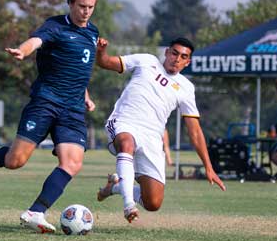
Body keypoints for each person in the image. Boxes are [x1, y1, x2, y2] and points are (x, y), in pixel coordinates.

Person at [0, 0, 100, 234]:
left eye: (90, 7)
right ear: (71, 3)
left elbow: (80, 70)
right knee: (15, 161)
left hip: (72, 110)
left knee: (72, 163)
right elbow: (35, 42)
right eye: (81, 6)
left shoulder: (93, 33)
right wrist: (22, 52)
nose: (86, 12)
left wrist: (86, 95)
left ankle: (36, 211)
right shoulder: (55, 26)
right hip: (45, 102)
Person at [95, 37, 226, 223]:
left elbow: (195, 132)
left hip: (152, 138)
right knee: (126, 143)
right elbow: (106, 62)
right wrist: (101, 52)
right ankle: (128, 205)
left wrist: (208, 167)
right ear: (167, 52)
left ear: (188, 62)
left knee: (153, 202)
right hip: (124, 122)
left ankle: (115, 186)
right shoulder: (147, 61)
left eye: (183, 56)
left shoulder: (186, 88)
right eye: (174, 53)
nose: (177, 59)